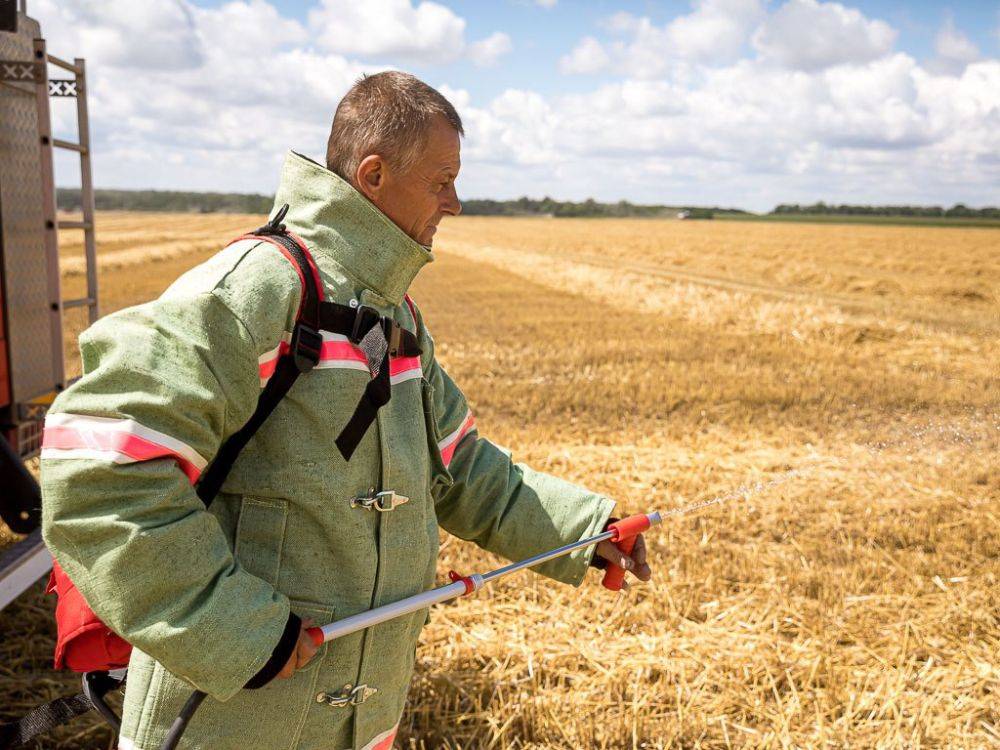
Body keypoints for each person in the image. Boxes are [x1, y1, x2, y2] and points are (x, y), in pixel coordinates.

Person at [40, 71, 652, 750]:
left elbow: (460, 466)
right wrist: (236, 630)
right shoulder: (259, 289)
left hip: (359, 720)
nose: (455, 201)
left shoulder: (396, 316)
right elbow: (98, 464)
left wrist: (585, 531)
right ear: (373, 174)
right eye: (442, 179)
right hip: (228, 721)